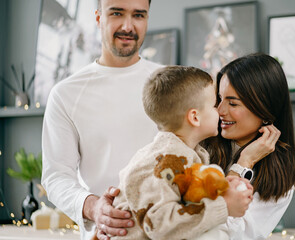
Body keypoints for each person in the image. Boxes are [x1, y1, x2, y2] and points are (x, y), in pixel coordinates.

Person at [41, 0, 163, 239]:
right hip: (106, 235)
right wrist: (93, 207)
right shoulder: (66, 94)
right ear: (98, 18)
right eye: (117, 13)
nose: (128, 26)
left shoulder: (172, 83)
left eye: (139, 15)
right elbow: (56, 175)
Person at [99, 65, 253, 240]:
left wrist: (219, 187)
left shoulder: (186, 153)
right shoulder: (165, 160)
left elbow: (185, 199)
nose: (220, 111)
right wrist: (223, 206)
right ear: (194, 117)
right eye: (214, 105)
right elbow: (160, 225)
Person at [202, 53, 295, 240]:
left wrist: (244, 162)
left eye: (232, 103)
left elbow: (228, 235)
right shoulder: (201, 144)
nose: (220, 110)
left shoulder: (279, 181)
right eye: (219, 99)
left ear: (265, 111)